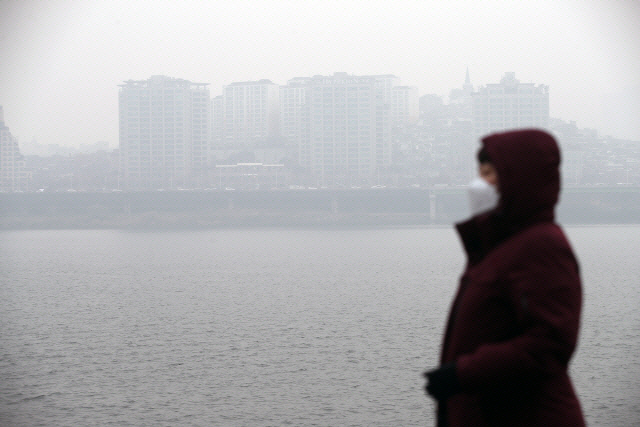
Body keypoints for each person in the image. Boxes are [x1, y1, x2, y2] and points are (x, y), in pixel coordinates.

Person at [424, 129, 585, 427]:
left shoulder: (541, 246)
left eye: (489, 173)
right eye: (479, 172)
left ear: (519, 180)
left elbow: (550, 344)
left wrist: (462, 373)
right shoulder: (497, 249)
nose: (477, 184)